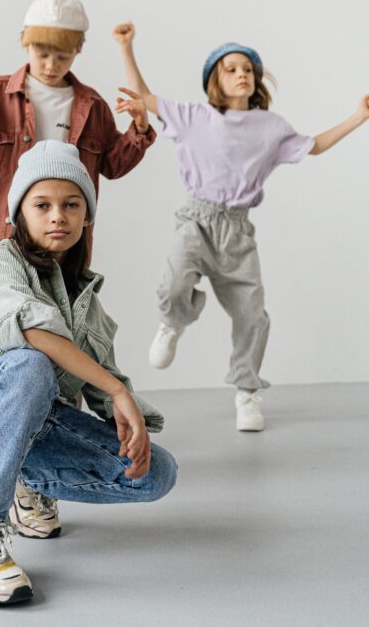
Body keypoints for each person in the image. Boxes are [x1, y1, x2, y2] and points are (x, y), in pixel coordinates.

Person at [0, 140, 177, 606]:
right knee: (31, 363)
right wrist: (112, 390)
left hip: (41, 423)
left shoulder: (87, 298)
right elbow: (29, 328)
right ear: (19, 214)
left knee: (157, 473)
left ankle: (27, 484)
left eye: (71, 205)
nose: (57, 217)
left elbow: (105, 376)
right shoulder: (1, 261)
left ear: (87, 216)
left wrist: (129, 415)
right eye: (41, 205)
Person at [115, 22, 369, 431]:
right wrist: (126, 47)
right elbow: (143, 98)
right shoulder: (194, 117)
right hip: (196, 220)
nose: (242, 74)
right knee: (175, 280)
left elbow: (315, 146)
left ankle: (247, 392)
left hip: (237, 231)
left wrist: (359, 116)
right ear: (216, 78)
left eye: (248, 68)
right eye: (232, 68)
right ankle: (173, 321)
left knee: (252, 315)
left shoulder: (271, 128)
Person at [0, 0, 155, 263]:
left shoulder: (92, 106)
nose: (51, 65)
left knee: (65, 307)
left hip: (65, 242)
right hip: (3, 236)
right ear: (26, 44)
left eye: (63, 57)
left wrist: (140, 128)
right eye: (42, 54)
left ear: (78, 50)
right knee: (5, 305)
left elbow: (113, 166)